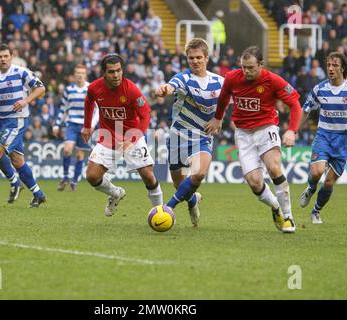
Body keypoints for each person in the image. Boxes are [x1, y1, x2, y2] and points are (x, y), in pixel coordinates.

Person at [205, 46, 302, 233]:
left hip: (266, 128)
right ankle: (276, 206)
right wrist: (218, 118)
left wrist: (292, 130)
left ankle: (288, 217)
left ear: (261, 65)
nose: (246, 71)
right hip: (243, 134)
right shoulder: (232, 78)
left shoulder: (272, 80)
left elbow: (295, 104)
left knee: (274, 167)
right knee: (255, 182)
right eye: (243, 67)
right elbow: (224, 98)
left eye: (250, 67)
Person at [154, 38, 224, 227]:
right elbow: (171, 86)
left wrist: (219, 119)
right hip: (178, 136)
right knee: (180, 185)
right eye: (191, 58)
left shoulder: (219, 82)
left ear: (207, 58)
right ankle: (192, 202)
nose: (195, 61)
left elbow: (227, 101)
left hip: (202, 137)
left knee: (199, 173)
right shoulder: (183, 78)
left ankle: (167, 208)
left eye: (199, 57)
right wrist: (164, 90)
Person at [81, 54, 163, 216]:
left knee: (147, 175)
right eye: (111, 72)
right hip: (108, 136)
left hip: (132, 135)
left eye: (119, 70)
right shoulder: (95, 88)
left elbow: (146, 115)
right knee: (92, 176)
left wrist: (132, 139)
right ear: (104, 72)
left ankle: (161, 211)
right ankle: (115, 193)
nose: (116, 75)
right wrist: (87, 126)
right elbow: (89, 102)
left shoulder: (131, 89)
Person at [299, 52, 347, 223]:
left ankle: (316, 211)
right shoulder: (320, 89)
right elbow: (305, 110)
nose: (330, 68)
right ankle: (311, 187)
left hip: (344, 140)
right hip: (324, 135)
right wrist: (294, 130)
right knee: (317, 171)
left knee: (329, 183)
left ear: (342, 68)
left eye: (335, 65)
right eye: (329, 65)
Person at [0, 43, 47, 208]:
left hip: (17, 120)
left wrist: (25, 100)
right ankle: (39, 194)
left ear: (11, 57)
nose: (3, 59)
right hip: (4, 122)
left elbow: (41, 88)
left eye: (5, 56)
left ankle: (15, 183)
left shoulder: (20, 72)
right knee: (17, 160)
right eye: (0, 57)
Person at [53, 64, 99, 191]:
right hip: (72, 124)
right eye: (77, 73)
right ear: (74, 75)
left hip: (85, 127)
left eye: (82, 73)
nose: (79, 75)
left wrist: (92, 125)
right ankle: (65, 177)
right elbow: (63, 108)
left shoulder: (91, 88)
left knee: (80, 155)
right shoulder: (69, 89)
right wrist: (57, 124)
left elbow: (97, 109)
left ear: (85, 75)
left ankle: (74, 181)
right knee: (67, 150)